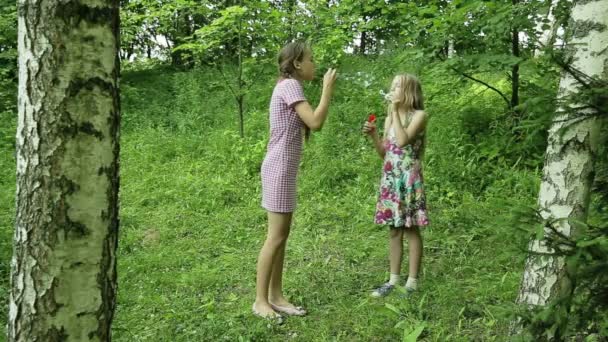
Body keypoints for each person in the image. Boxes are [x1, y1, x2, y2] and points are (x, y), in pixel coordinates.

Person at [253, 41, 337, 319]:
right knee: (274, 238)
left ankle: (276, 295)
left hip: (283, 170)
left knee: (282, 237)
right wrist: (327, 89)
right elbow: (315, 122)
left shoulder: (289, 85)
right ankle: (260, 301)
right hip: (278, 169)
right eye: (311, 59)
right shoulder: (289, 85)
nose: (314, 64)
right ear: (297, 63)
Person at [362, 73, 429, 298]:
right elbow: (385, 152)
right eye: (392, 86)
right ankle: (393, 280)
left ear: (409, 92)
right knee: (393, 230)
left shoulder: (419, 116)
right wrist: (374, 136)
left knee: (410, 228)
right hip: (391, 178)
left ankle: (412, 282)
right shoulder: (390, 118)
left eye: (398, 87)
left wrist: (394, 111)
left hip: (409, 178)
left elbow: (402, 141)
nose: (393, 90)